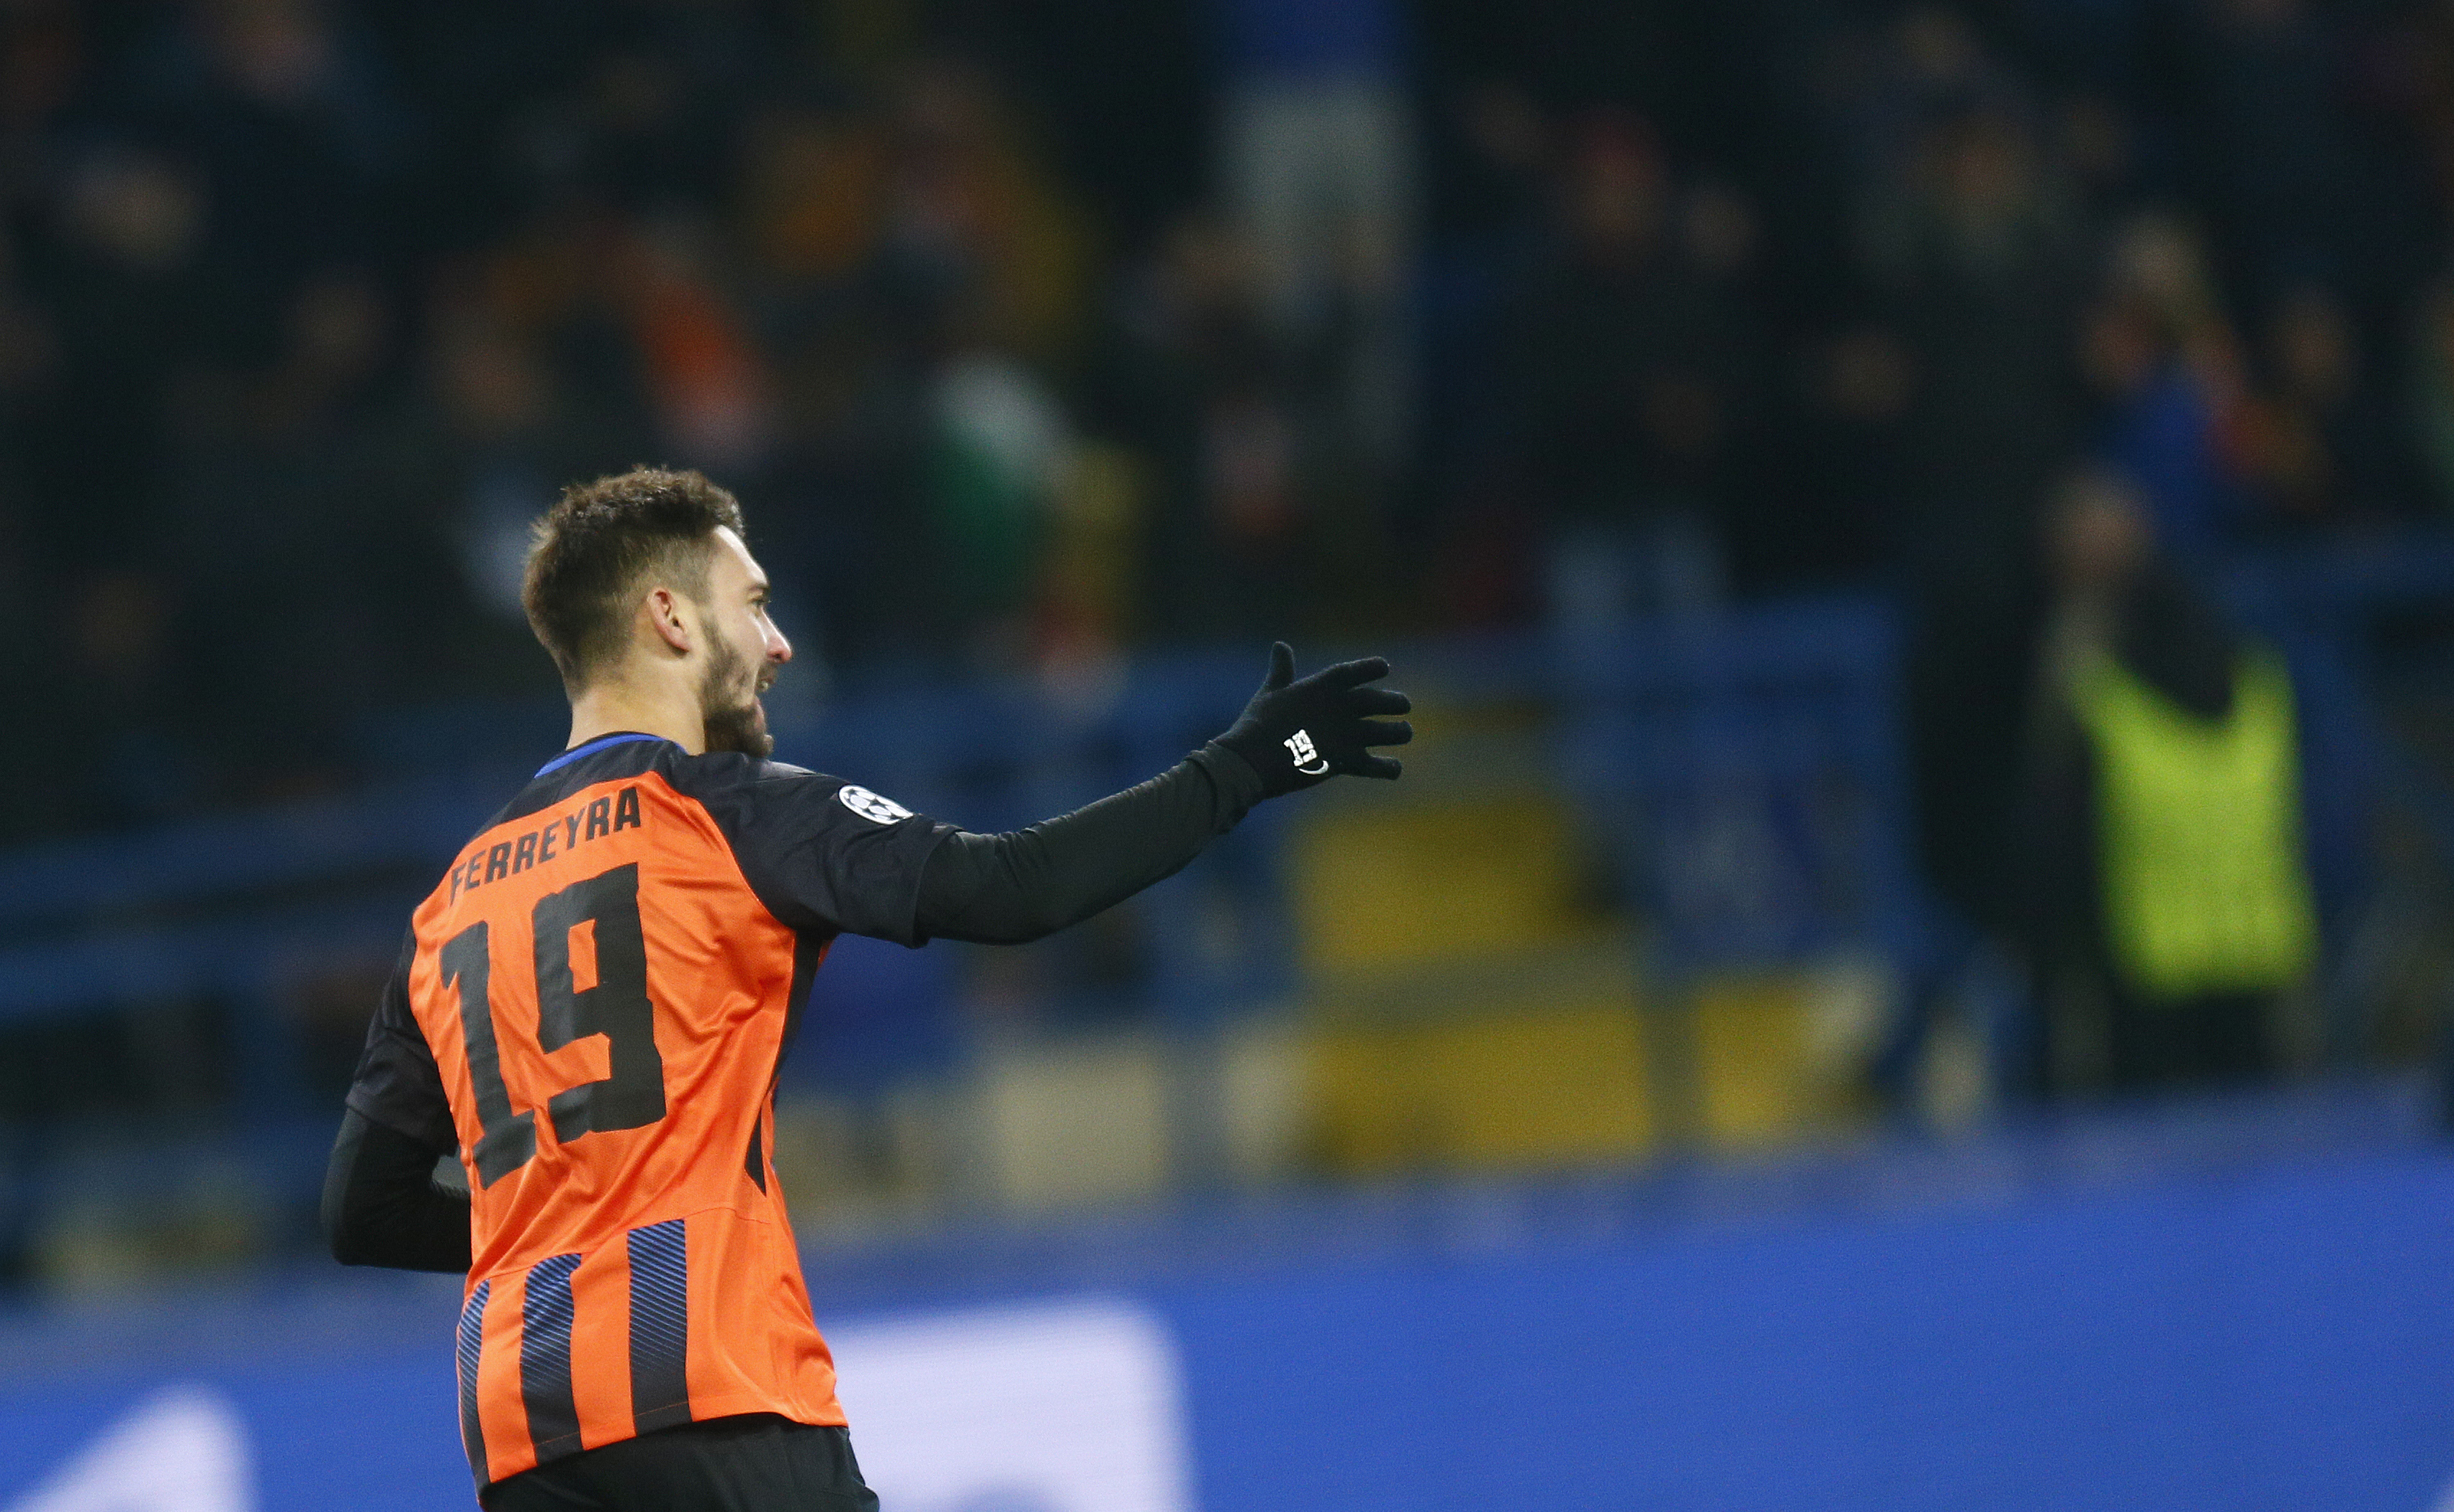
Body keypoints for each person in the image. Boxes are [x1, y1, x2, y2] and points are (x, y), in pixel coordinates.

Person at [319, 466, 1411, 1510]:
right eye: (752, 604)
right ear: (670, 618)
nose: (778, 642)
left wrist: (566, 1230)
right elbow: (1010, 888)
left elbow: (362, 1208)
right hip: (714, 1391)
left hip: (524, 1433)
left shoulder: (449, 903)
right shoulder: (730, 812)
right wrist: (1250, 766)